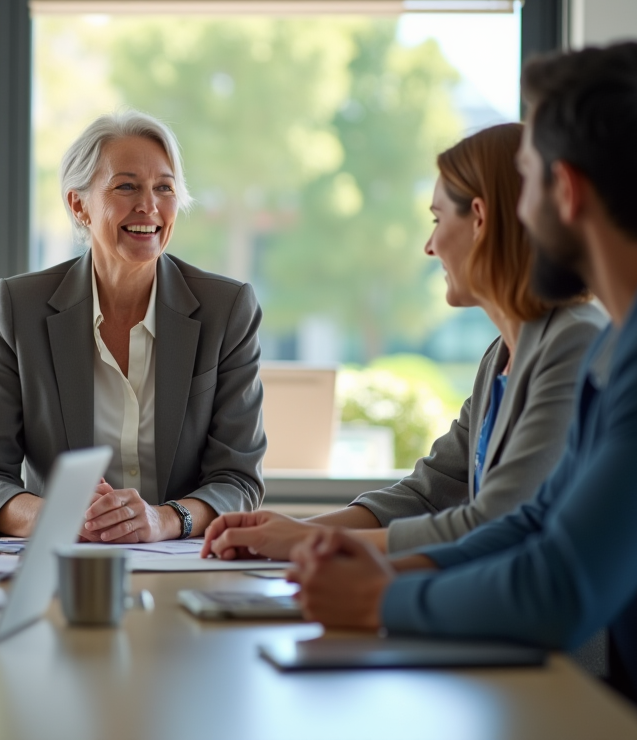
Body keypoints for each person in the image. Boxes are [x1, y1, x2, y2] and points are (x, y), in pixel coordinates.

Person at [287, 42, 637, 737]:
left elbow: (562, 586)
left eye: (525, 180)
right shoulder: (635, 332)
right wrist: (384, 568)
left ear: (566, 192)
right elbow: (536, 522)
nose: (517, 216)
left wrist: (380, 601)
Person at [201, 124, 606, 561]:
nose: (430, 247)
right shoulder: (500, 358)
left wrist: (308, 543)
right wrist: (286, 531)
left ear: (481, 219)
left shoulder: (575, 342)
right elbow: (428, 494)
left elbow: (494, 521)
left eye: (437, 220)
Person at [0, 110, 266, 542]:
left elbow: (239, 480)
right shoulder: (20, 307)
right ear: (78, 204)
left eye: (164, 188)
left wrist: (163, 519)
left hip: (182, 568)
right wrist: (63, 516)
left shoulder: (226, 309)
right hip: (64, 568)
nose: (149, 206)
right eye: (126, 186)